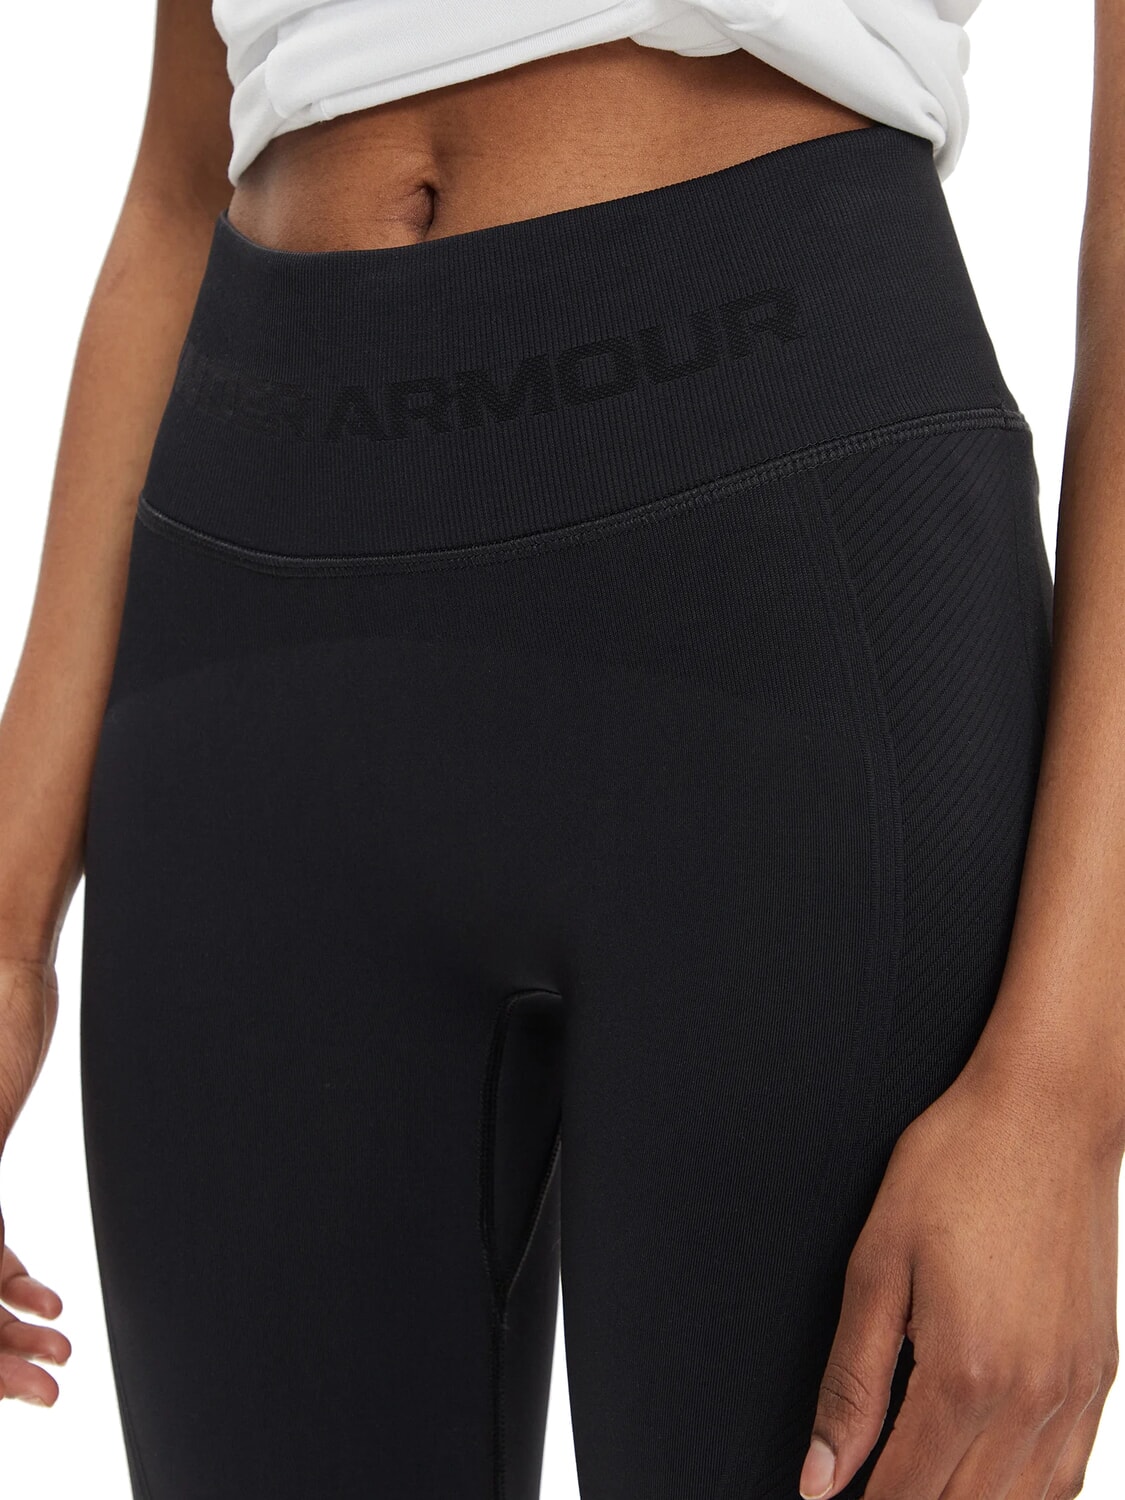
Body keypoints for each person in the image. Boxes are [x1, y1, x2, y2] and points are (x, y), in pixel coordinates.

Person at [0, 3, 1120, 1498]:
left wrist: (1065, 1099)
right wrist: (4, 928)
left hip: (774, 598)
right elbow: (176, 177)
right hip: (250, 616)